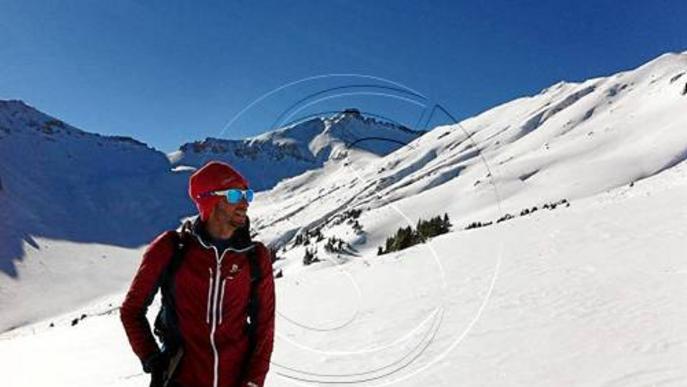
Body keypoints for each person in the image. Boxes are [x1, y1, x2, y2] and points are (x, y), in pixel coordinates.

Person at [120, 161, 275, 387]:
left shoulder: (254, 257)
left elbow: (264, 328)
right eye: (234, 195)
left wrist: (253, 382)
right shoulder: (172, 248)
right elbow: (131, 310)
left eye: (247, 195)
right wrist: (153, 360)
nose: (244, 203)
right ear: (208, 200)